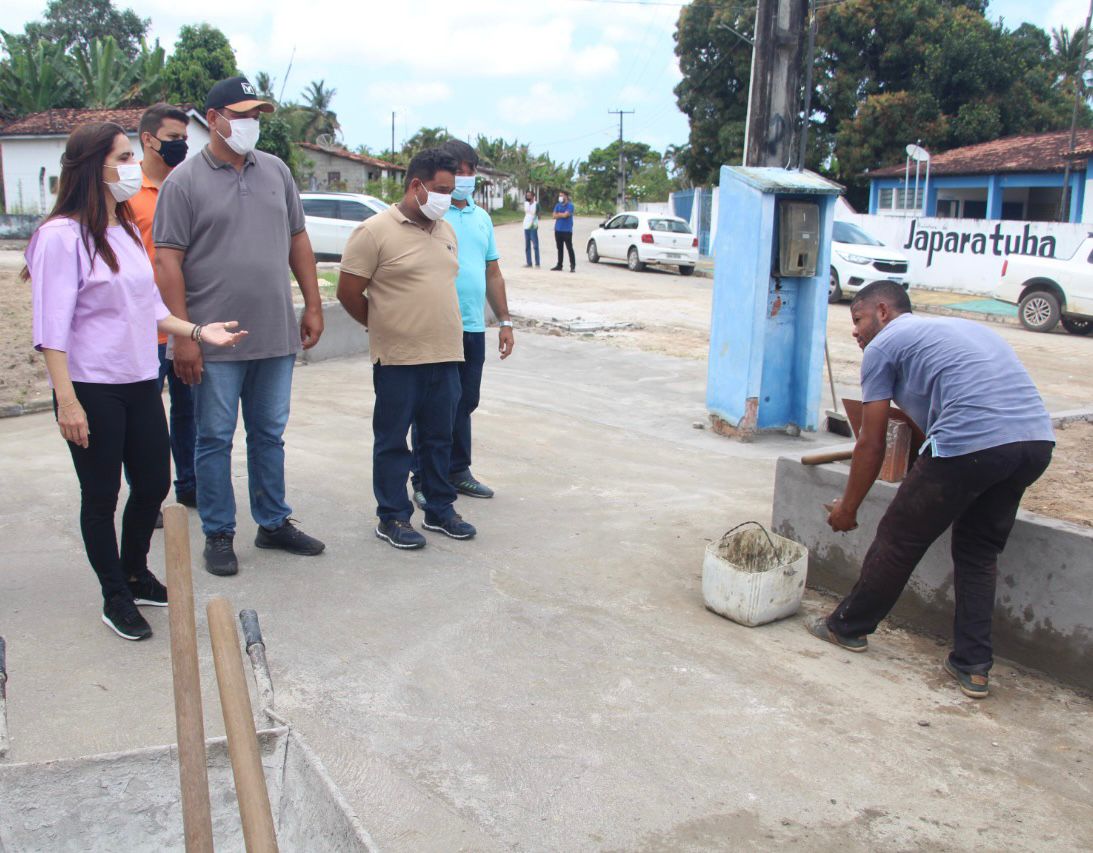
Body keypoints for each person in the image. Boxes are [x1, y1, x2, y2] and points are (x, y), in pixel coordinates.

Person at [27, 122, 246, 640]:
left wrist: (199, 331)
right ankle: (115, 595)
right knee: (101, 494)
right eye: (124, 157)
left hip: (139, 377)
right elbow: (50, 329)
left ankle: (134, 571)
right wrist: (67, 402)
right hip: (91, 386)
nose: (133, 166)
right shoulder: (59, 237)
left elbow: (150, 308)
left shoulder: (123, 229)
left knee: (152, 483)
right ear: (93, 167)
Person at [806, 281, 1055, 699]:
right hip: (1034, 444)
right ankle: (973, 666)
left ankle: (847, 626)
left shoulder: (884, 345)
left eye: (858, 319)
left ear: (882, 311)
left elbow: (872, 441)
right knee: (978, 551)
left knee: (899, 537)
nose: (855, 331)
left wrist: (848, 508)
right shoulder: (960, 330)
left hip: (972, 443)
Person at [153, 76, 326, 577]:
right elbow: (167, 263)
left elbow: (298, 241)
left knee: (269, 434)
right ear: (214, 119)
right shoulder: (184, 182)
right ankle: (219, 532)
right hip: (213, 341)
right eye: (242, 115)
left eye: (256, 116)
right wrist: (184, 335)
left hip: (274, 334)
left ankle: (273, 522)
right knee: (214, 438)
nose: (252, 123)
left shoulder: (276, 171)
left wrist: (312, 305)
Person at [336, 148, 477, 550]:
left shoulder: (445, 231)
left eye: (450, 190)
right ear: (416, 186)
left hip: (446, 354)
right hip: (398, 358)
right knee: (393, 441)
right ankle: (393, 516)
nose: (447, 198)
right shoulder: (373, 232)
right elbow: (349, 292)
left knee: (439, 439)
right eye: (441, 190)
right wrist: (383, 324)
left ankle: (439, 509)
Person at [409, 139, 515, 507]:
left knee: (465, 401)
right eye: (459, 171)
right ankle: (423, 477)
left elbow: (492, 272)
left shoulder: (481, 217)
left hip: (472, 327)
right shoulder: (431, 214)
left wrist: (505, 321)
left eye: (471, 171)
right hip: (436, 327)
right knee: (432, 406)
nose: (465, 177)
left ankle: (457, 470)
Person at [129, 103, 196, 524]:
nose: (181, 146)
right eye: (173, 138)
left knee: (190, 412)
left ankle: (190, 485)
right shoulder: (125, 191)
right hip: (143, 328)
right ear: (148, 139)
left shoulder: (186, 186)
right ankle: (147, 496)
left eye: (185, 139)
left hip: (185, 322)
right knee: (145, 419)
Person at [551, 190, 576, 272]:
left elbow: (566, 215)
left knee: (569, 248)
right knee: (559, 248)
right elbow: (553, 216)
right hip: (558, 229)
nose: (560, 197)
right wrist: (561, 214)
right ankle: (559, 265)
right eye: (560, 196)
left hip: (567, 230)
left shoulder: (570, 206)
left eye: (562, 195)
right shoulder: (557, 205)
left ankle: (572, 265)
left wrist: (558, 214)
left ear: (566, 196)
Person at [523, 189, 540, 267]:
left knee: (535, 245)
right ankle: (529, 262)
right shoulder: (526, 204)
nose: (528, 197)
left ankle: (537, 262)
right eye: (527, 196)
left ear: (533, 196)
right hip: (526, 225)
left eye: (529, 196)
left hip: (533, 226)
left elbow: (539, 215)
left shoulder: (537, 204)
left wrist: (537, 216)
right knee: (527, 245)